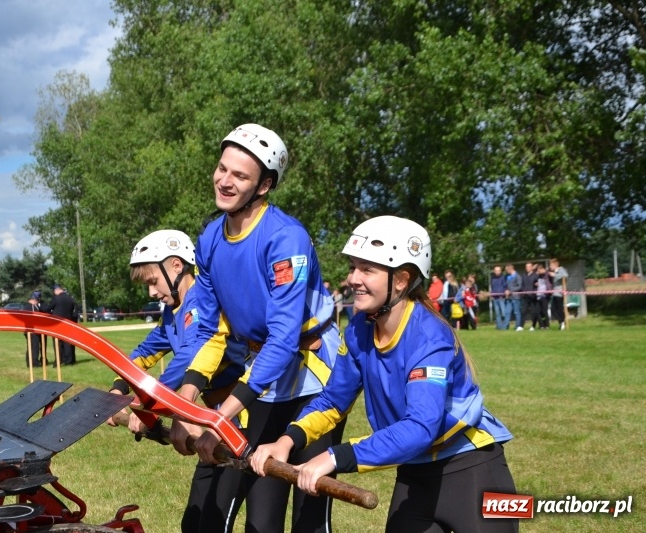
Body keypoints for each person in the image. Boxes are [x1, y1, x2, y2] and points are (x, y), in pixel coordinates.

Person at [249, 216, 518, 533]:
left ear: (401, 280)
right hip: (414, 474)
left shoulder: (429, 337)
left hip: (474, 470)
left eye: (367, 269)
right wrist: (286, 441)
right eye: (353, 267)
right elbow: (333, 401)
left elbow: (421, 426)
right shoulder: (359, 330)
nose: (353, 279)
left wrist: (335, 457)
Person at [170, 123, 344, 533]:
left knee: (309, 519)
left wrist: (220, 418)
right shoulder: (209, 239)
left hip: (312, 377)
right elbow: (209, 331)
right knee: (262, 520)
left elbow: (283, 339)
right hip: (264, 378)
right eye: (222, 168)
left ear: (264, 185)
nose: (224, 181)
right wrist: (186, 402)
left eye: (240, 175)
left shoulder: (286, 238)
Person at [108, 229, 249, 533]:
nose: (151, 292)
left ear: (176, 265)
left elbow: (189, 355)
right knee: (192, 523)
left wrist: (145, 403)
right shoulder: (173, 313)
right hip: (212, 422)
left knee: (213, 524)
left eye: (152, 281)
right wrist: (118, 388)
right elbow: (144, 353)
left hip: (241, 419)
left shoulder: (202, 300)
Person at [42, 283, 78, 365]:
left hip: (57, 323)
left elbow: (48, 308)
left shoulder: (56, 298)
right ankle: (69, 360)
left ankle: (59, 360)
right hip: (68, 322)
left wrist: (41, 305)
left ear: (56, 290)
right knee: (67, 342)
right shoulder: (70, 298)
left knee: (57, 342)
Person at [25, 291, 45, 367]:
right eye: (37, 301)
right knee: (34, 347)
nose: (38, 302)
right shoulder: (32, 307)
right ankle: (34, 362)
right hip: (32, 330)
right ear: (34, 300)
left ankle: (29, 362)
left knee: (30, 346)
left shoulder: (27, 306)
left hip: (29, 330)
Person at [548, 258, 569, 330]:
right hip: (555, 293)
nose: (550, 266)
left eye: (551, 265)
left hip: (560, 293)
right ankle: (561, 321)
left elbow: (565, 275)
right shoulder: (555, 271)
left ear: (555, 264)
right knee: (553, 310)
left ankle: (562, 322)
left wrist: (554, 275)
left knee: (560, 310)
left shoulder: (561, 269)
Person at [504, 264, 524, 331]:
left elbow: (519, 286)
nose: (506, 271)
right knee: (507, 312)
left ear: (510, 269)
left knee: (517, 312)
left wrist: (511, 291)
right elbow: (507, 286)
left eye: (507, 270)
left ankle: (517, 326)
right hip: (509, 297)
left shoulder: (518, 276)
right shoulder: (508, 276)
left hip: (516, 297)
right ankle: (505, 327)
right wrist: (506, 290)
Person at [521, 262, 539, 331]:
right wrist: (523, 292)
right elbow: (522, 285)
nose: (527, 268)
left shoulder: (535, 275)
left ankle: (533, 326)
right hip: (525, 296)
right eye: (526, 267)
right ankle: (521, 326)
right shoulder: (524, 275)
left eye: (529, 266)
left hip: (533, 296)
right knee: (523, 311)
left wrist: (534, 291)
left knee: (533, 312)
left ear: (532, 267)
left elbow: (538, 285)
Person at [534, 264, 552, 329]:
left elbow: (548, 272)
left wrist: (544, 270)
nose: (538, 272)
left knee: (544, 311)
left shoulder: (547, 274)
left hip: (545, 295)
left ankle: (547, 325)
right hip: (539, 295)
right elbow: (534, 276)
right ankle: (541, 325)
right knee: (538, 311)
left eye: (538, 270)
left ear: (542, 269)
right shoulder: (538, 276)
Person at [490, 265, 507, 329]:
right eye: (496, 270)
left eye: (499, 270)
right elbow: (492, 287)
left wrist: (503, 295)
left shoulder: (503, 277)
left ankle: (505, 326)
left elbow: (505, 286)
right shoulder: (492, 278)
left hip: (501, 298)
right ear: (494, 271)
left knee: (503, 313)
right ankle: (499, 326)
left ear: (501, 271)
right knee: (497, 314)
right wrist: (492, 295)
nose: (497, 272)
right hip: (495, 298)